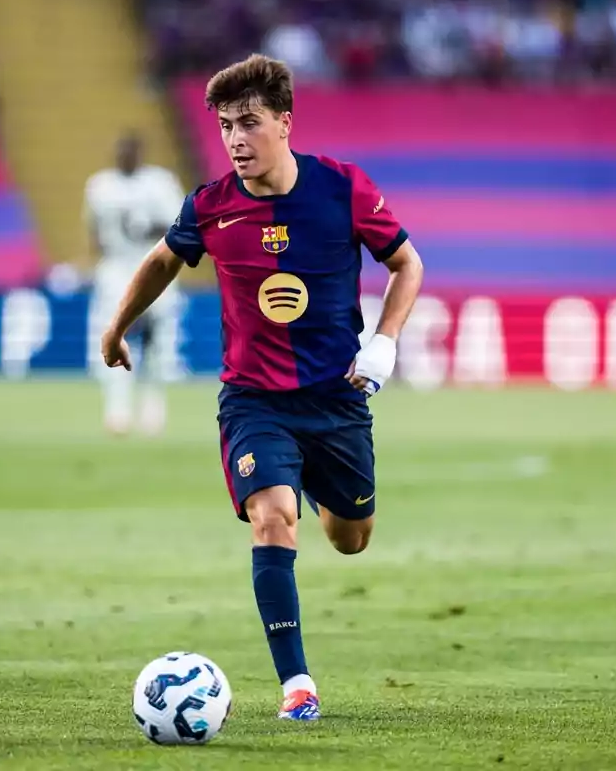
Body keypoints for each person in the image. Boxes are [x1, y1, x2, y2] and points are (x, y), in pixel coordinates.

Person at [100, 54, 424, 720]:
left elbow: (406, 263)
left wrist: (385, 340)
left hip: (337, 400)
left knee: (351, 537)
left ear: (284, 122)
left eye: (248, 123)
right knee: (273, 519)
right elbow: (163, 259)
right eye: (224, 127)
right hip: (254, 401)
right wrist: (117, 328)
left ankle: (310, 482)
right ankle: (296, 686)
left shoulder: (343, 189)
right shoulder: (213, 207)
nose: (235, 140)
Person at [84, 132, 187, 435]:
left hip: (154, 266)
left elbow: (176, 226)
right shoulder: (100, 185)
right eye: (121, 149)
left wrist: (147, 226)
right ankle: (118, 411)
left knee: (157, 342)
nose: (125, 155)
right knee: (114, 336)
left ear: (142, 153)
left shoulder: (160, 183)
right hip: (116, 268)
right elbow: (93, 229)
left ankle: (152, 408)